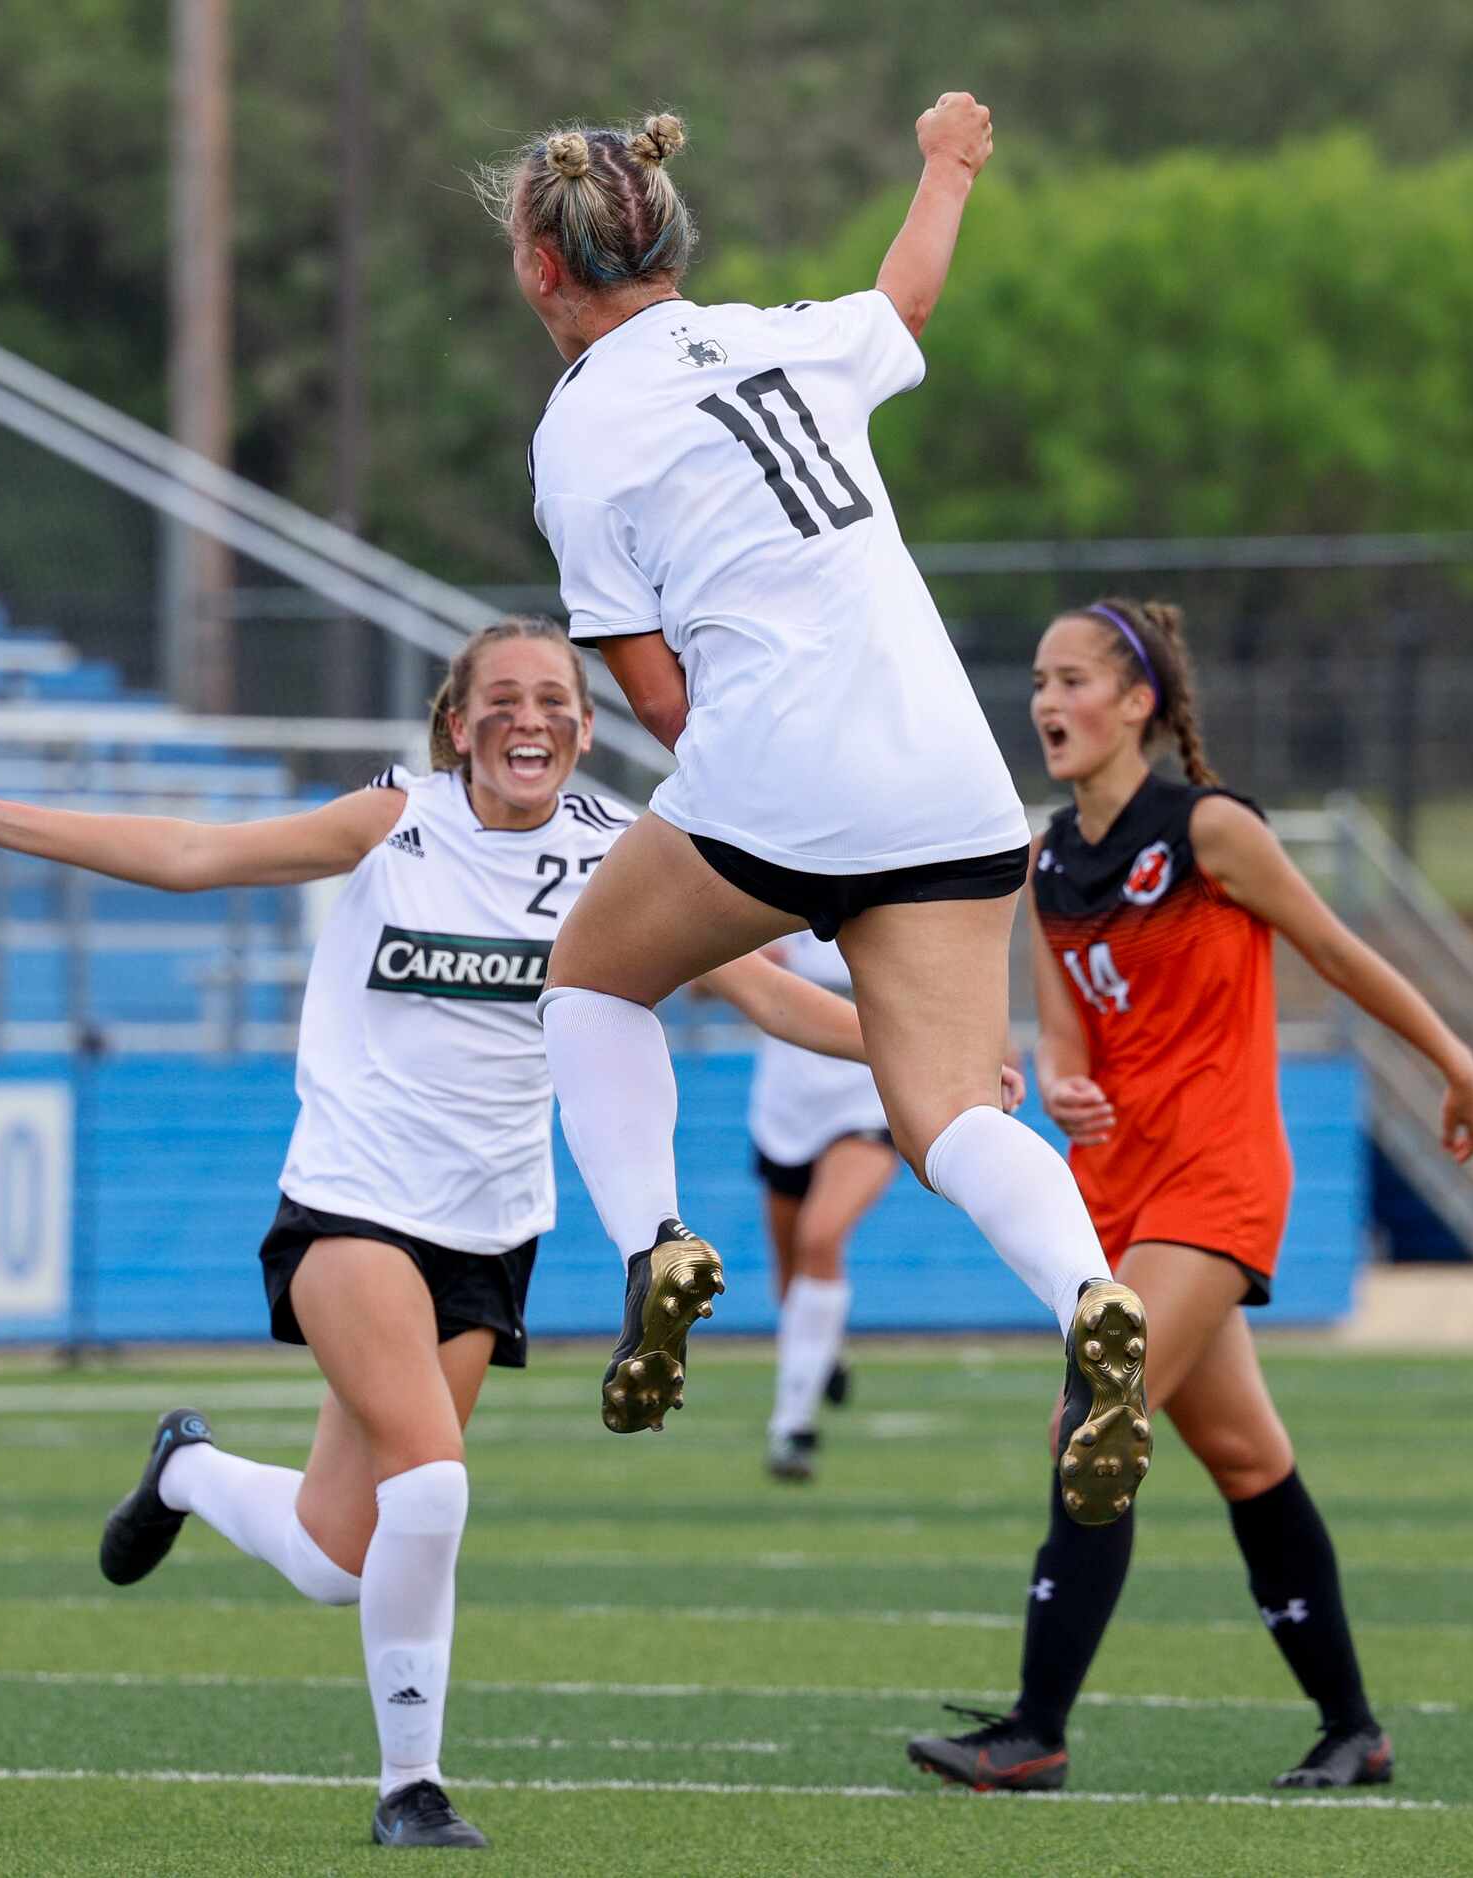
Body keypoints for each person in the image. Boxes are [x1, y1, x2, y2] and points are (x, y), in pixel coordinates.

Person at [0, 616, 925, 1851]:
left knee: (344, 1554)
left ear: (588, 729)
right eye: (499, 700)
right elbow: (190, 851)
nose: (527, 718)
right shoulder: (400, 820)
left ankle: (184, 1466)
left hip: (492, 1235)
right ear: (456, 725)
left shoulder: (624, 860)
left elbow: (767, 992)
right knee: (433, 1489)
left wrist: (939, 1057)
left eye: (553, 698)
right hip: (351, 1206)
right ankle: (412, 1787)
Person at [479, 98, 1151, 1524]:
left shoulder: (581, 432)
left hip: (786, 763)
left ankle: (652, 1239)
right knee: (947, 1110)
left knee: (592, 982)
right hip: (952, 770)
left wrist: (737, 810)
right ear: (669, 238)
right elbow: (905, 295)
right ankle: (1090, 1289)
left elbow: (656, 693)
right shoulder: (786, 332)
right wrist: (946, 165)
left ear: (543, 269)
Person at [906, 597, 1473, 1795]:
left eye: (1074, 681)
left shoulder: (1211, 830)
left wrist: (1453, 1053)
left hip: (1217, 1178)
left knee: (1094, 1417)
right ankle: (1353, 1729)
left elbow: (1333, 948)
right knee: (1242, 1455)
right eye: (1038, 681)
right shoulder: (1049, 859)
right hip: (1114, 1195)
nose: (1047, 704)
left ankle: (1036, 1727)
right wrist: (1064, 1088)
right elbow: (1068, 1035)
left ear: (1141, 707)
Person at [748, 931, 899, 1482]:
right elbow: (700, 982)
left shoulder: (895, 889)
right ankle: (824, 1344)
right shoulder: (770, 882)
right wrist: (739, 954)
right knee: (790, 1278)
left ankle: (792, 1426)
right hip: (786, 1104)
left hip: (868, 1094)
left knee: (821, 1237)